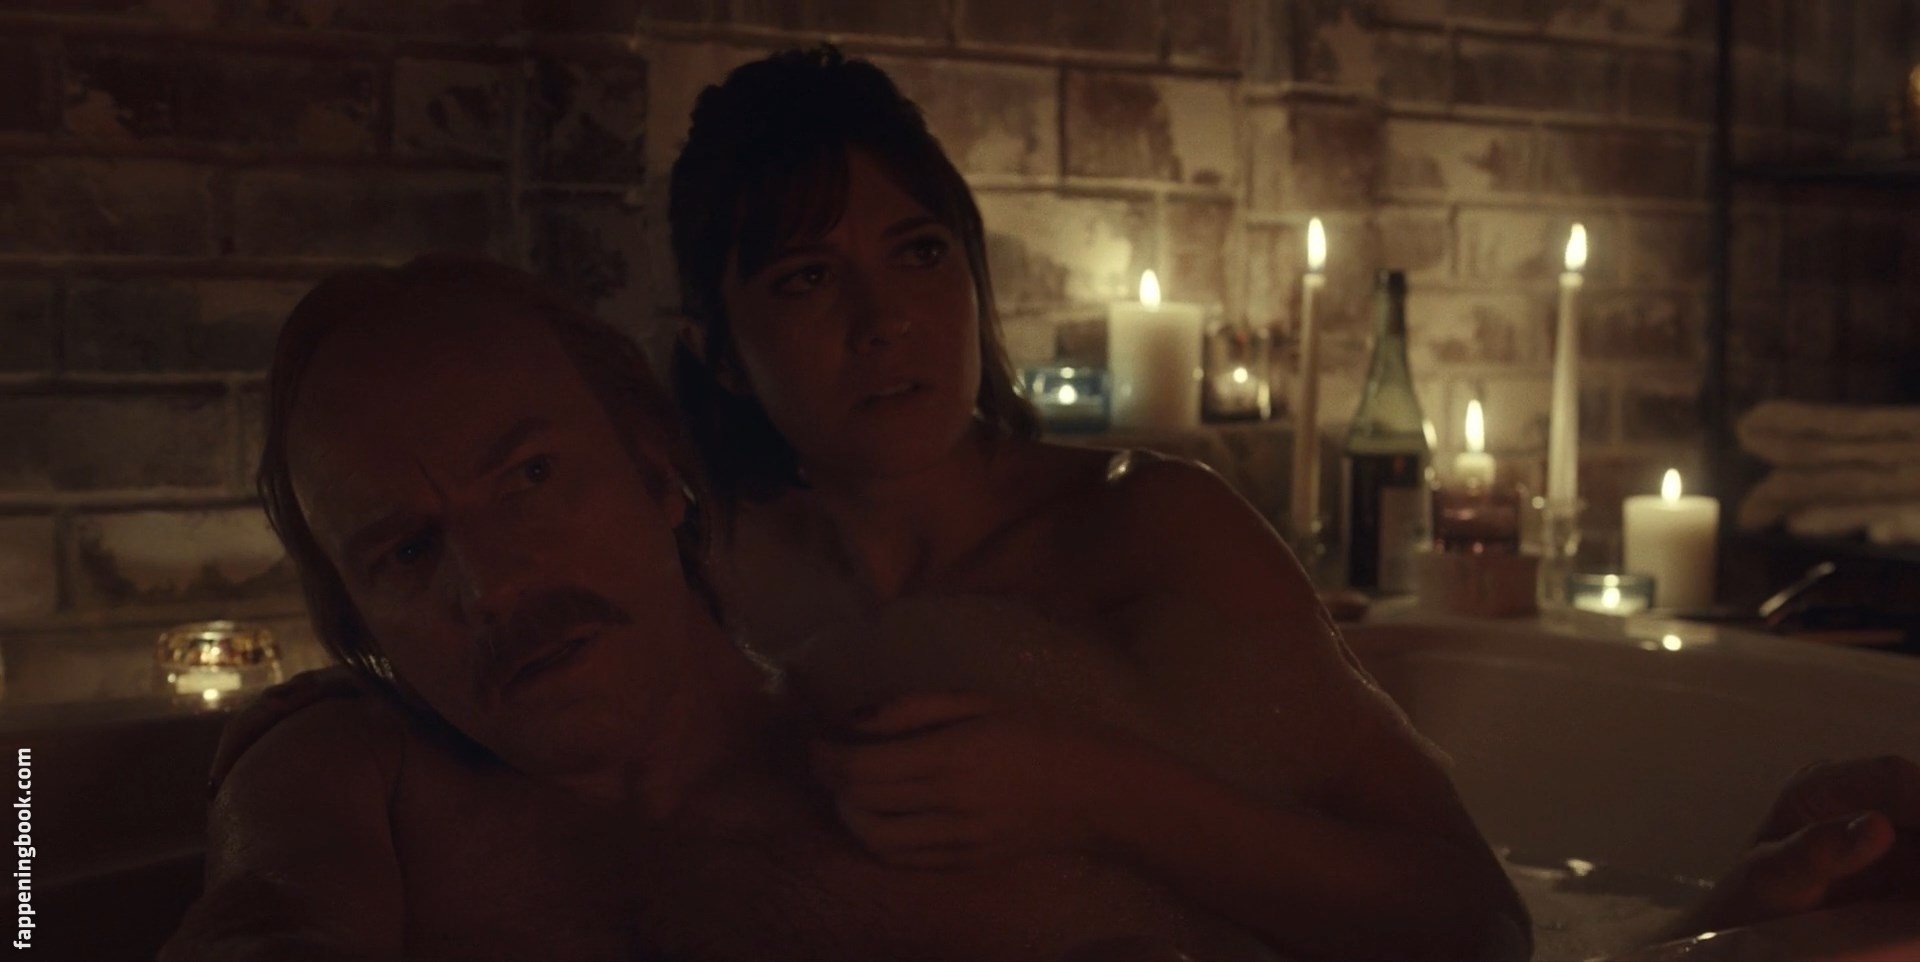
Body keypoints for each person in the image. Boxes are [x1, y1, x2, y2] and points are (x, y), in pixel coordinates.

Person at [666, 45, 1529, 961]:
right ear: (721, 356)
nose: (884, 319)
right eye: (806, 276)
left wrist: (1095, 795)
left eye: (919, 252)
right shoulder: (724, 597)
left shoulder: (1151, 528)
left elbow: (1476, 924)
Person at [164, 256, 1280, 961]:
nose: (493, 582)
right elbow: (268, 921)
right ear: (361, 626)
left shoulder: (946, 771)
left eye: (532, 479)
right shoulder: (353, 772)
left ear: (659, 474)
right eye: (408, 551)